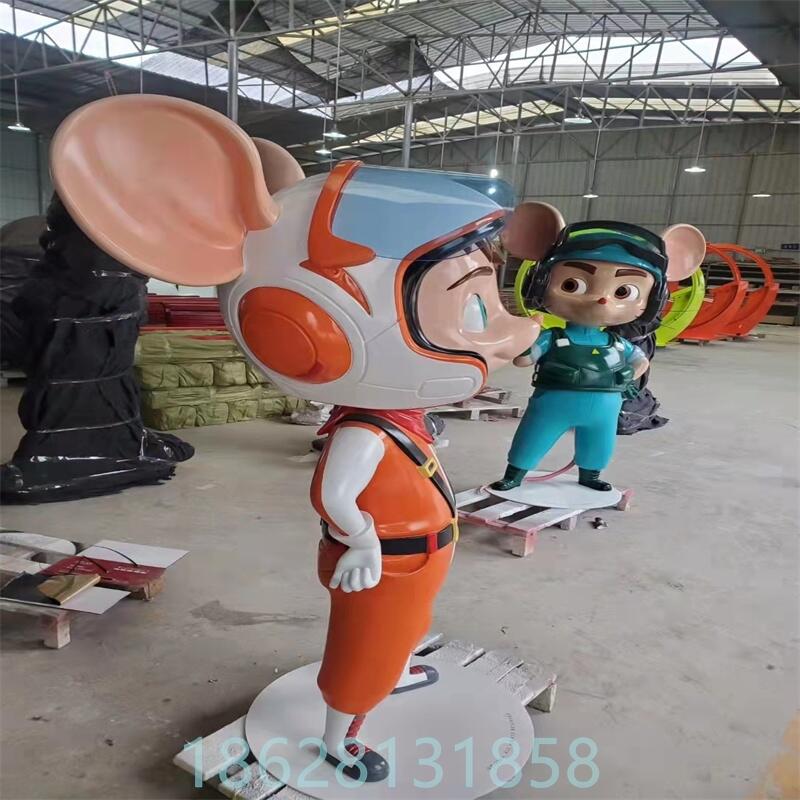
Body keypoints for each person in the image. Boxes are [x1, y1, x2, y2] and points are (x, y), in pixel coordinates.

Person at [48, 94, 538, 783]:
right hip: (381, 559)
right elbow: (333, 494)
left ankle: (396, 670)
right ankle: (342, 737)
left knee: (401, 632)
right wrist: (360, 539)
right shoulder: (364, 430)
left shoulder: (395, 417)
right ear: (316, 327)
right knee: (365, 648)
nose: (505, 332)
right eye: (475, 307)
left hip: (419, 555)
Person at [492, 202, 705, 492]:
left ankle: (590, 475)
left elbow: (640, 361)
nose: (603, 299)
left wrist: (628, 374)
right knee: (533, 438)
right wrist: (525, 337)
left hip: (605, 406)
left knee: (599, 442)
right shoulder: (553, 337)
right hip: (552, 402)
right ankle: (515, 474)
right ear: (540, 285)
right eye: (572, 285)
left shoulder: (617, 343)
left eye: (623, 291)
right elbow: (523, 360)